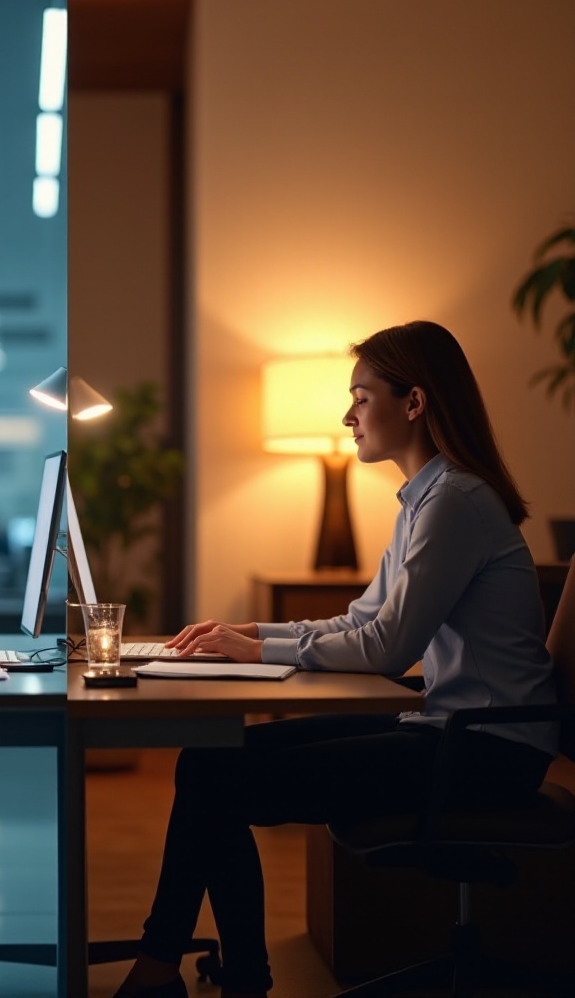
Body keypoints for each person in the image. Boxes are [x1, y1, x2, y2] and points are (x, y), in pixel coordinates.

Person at [114, 321, 558, 998]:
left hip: (484, 753)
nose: (348, 415)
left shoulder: (457, 502)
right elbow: (362, 621)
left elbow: (387, 649)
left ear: (414, 403)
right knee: (207, 760)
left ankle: (171, 969)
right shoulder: (427, 501)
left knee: (217, 780)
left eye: (361, 395)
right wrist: (249, 632)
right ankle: (220, 976)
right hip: (454, 735)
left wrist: (257, 649)